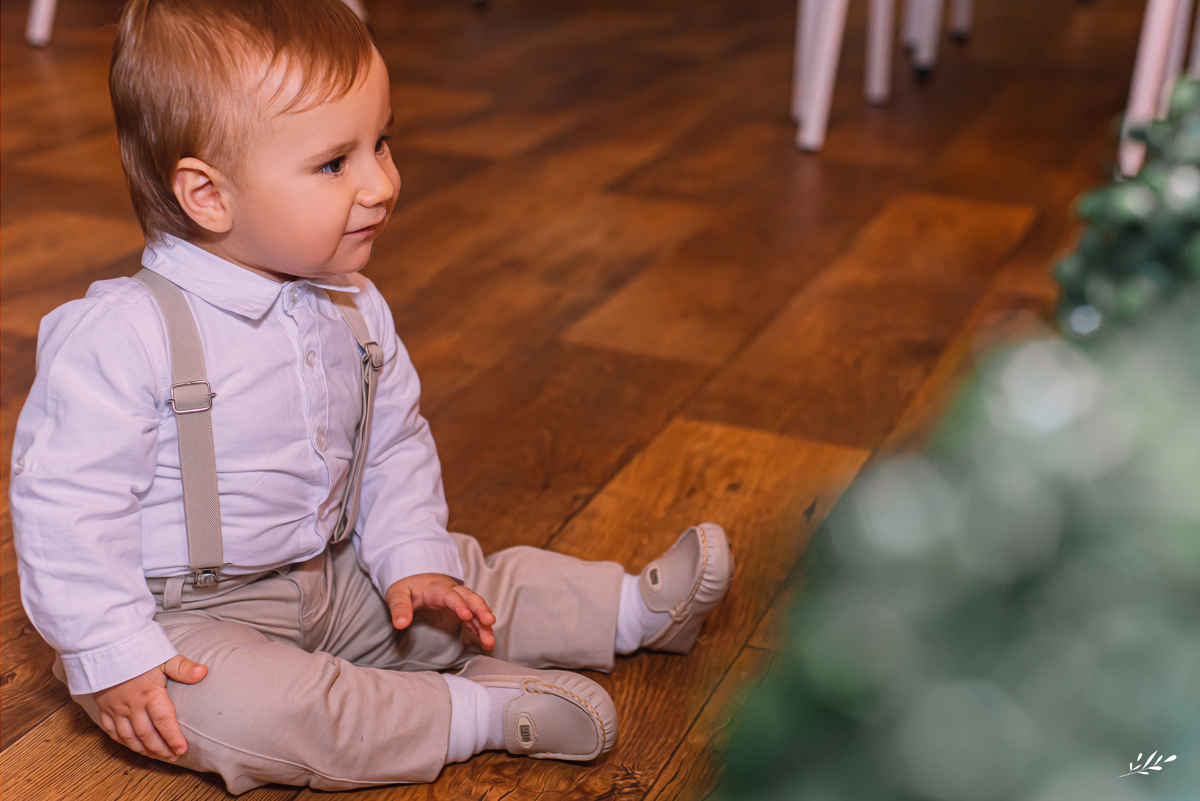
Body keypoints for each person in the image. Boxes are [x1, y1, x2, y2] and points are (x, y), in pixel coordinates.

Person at [8, 0, 733, 794]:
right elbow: (65, 507)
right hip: (181, 620)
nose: (382, 183)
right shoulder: (122, 334)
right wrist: (112, 650)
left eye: (381, 142)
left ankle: (626, 610)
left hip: (335, 569)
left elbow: (390, 441)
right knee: (253, 710)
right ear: (208, 195)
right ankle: (473, 712)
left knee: (460, 583)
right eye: (334, 164)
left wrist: (410, 555)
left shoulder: (352, 302)